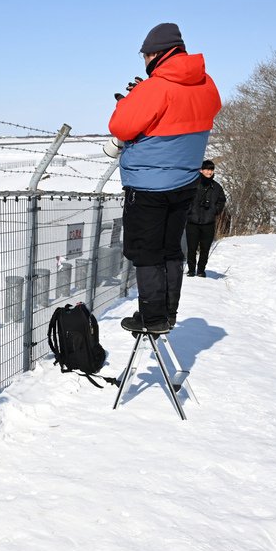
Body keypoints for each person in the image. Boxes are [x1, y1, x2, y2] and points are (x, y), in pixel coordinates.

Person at [108, 22, 222, 334]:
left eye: (145, 56)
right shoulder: (207, 84)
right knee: (171, 248)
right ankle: (168, 313)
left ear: (157, 54)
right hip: (185, 182)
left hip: (147, 185)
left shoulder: (155, 88)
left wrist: (128, 102)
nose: (144, 62)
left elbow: (121, 127)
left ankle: (152, 317)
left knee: (146, 251)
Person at [185, 159, 227, 278]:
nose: (209, 172)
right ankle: (191, 269)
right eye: (207, 169)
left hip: (209, 222)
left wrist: (215, 210)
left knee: (205, 248)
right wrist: (189, 211)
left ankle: (201, 270)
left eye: (211, 170)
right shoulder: (193, 184)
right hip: (192, 221)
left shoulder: (216, 187)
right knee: (191, 247)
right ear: (201, 170)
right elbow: (185, 198)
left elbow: (222, 201)